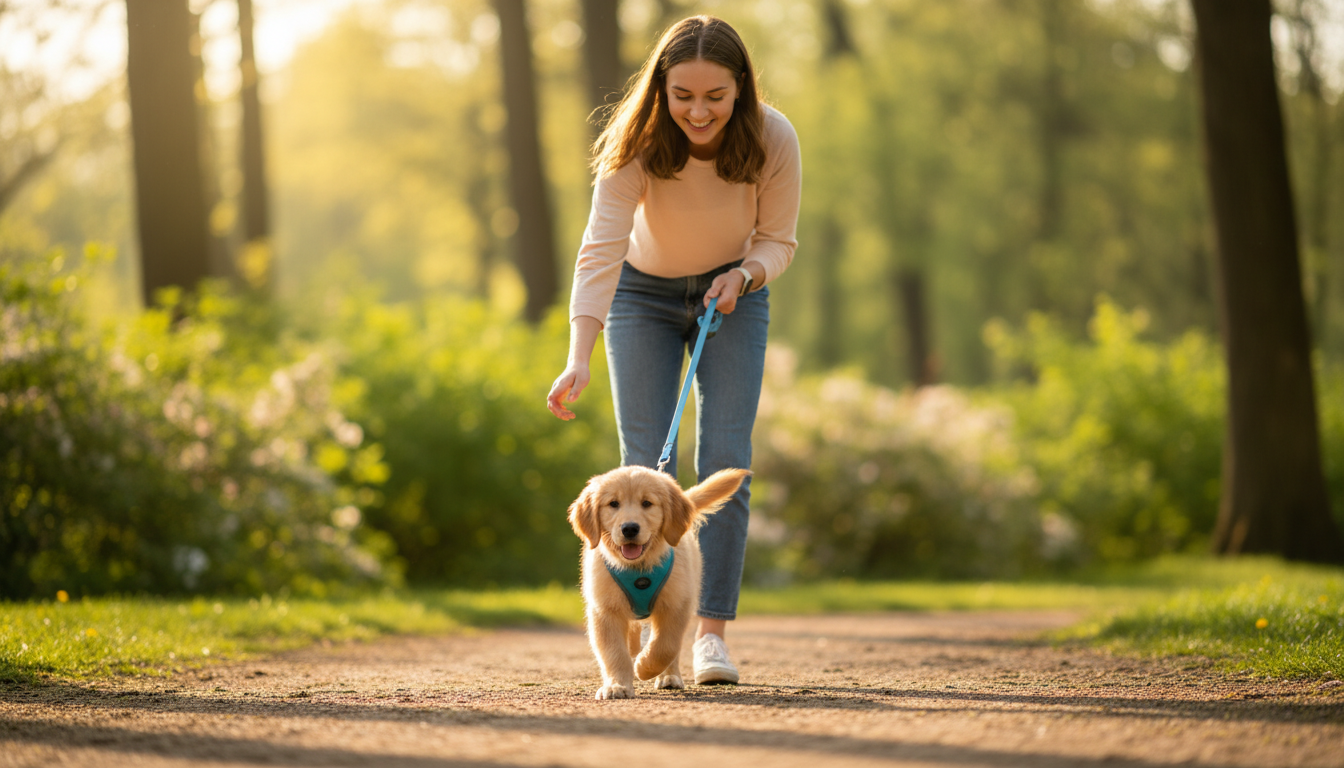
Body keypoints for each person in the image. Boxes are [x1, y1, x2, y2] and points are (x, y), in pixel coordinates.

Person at [546, 15, 801, 685]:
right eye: (682, 95)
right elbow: (600, 251)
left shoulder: (773, 137)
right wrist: (578, 353)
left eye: (715, 96)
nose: (698, 111)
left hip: (734, 292)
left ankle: (709, 636)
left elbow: (778, 240)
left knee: (725, 458)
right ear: (661, 88)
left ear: (741, 87)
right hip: (640, 293)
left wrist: (744, 276)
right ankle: (636, 631)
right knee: (641, 470)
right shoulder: (634, 141)